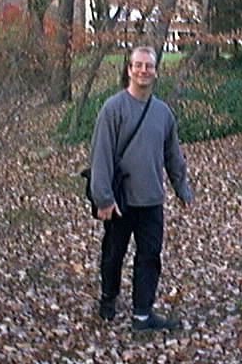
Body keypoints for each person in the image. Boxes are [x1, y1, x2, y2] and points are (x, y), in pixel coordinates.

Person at [88, 46, 194, 332]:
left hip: (151, 200)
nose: (143, 70)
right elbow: (101, 155)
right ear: (129, 69)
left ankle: (143, 315)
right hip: (120, 200)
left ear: (155, 71)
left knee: (149, 257)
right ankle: (109, 298)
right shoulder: (113, 108)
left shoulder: (163, 113)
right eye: (138, 65)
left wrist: (182, 189)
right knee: (113, 255)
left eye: (149, 66)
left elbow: (173, 154)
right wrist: (103, 198)